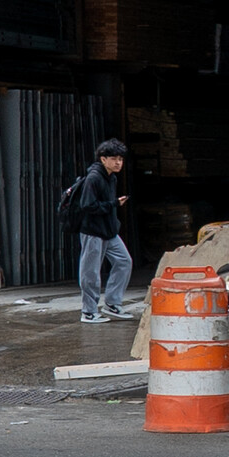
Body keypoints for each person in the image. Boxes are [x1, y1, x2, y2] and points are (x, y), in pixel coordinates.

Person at [78, 139, 132, 324]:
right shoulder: (94, 178)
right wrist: (114, 204)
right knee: (90, 273)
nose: (118, 163)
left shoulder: (112, 177)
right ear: (103, 159)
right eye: (114, 159)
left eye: (121, 159)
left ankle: (112, 303)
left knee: (124, 261)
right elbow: (87, 205)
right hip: (93, 232)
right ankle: (89, 312)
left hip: (109, 231)